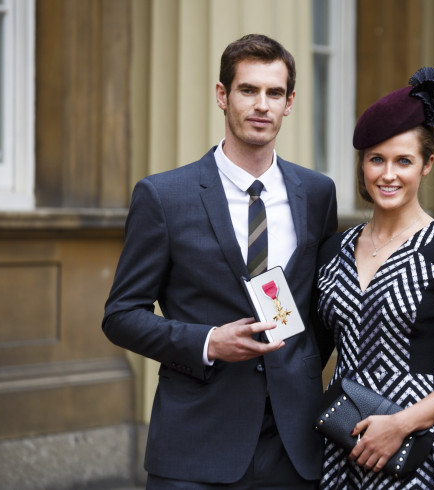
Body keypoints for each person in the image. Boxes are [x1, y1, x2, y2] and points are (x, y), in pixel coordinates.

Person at [103, 34, 338, 489]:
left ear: (290, 103)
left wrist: (302, 365)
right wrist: (209, 342)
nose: (261, 105)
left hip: (295, 443)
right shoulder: (164, 196)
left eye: (274, 93)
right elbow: (121, 316)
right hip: (196, 442)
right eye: (248, 90)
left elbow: (320, 307)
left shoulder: (317, 192)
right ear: (222, 95)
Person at [315, 67, 434, 489]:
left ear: (427, 165)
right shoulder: (333, 250)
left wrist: (398, 424)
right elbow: (311, 353)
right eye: (376, 159)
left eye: (404, 161)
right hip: (342, 446)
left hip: (417, 452)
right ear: (362, 164)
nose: (388, 174)